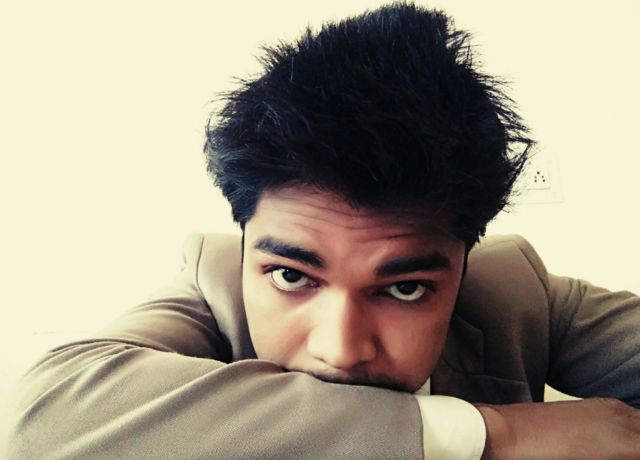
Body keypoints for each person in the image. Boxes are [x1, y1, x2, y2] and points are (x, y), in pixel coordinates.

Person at [4, 2, 639, 459]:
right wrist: (489, 433)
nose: (340, 349)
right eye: (290, 276)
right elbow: (45, 416)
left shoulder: (519, 291)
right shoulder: (210, 289)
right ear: (245, 243)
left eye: (406, 288)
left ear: (464, 263)